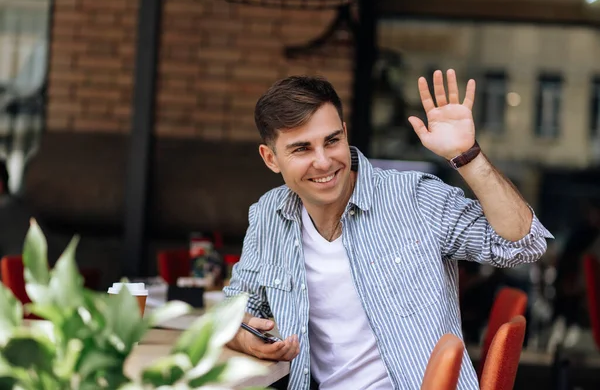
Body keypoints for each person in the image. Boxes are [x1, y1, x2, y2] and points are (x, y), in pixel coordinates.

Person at [223, 70, 553, 390]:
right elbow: (237, 309)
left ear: (345, 133)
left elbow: (524, 245)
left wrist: (466, 156)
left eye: (332, 140)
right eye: (302, 148)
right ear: (271, 158)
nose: (323, 162)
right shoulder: (269, 214)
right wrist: (247, 338)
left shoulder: (414, 197)